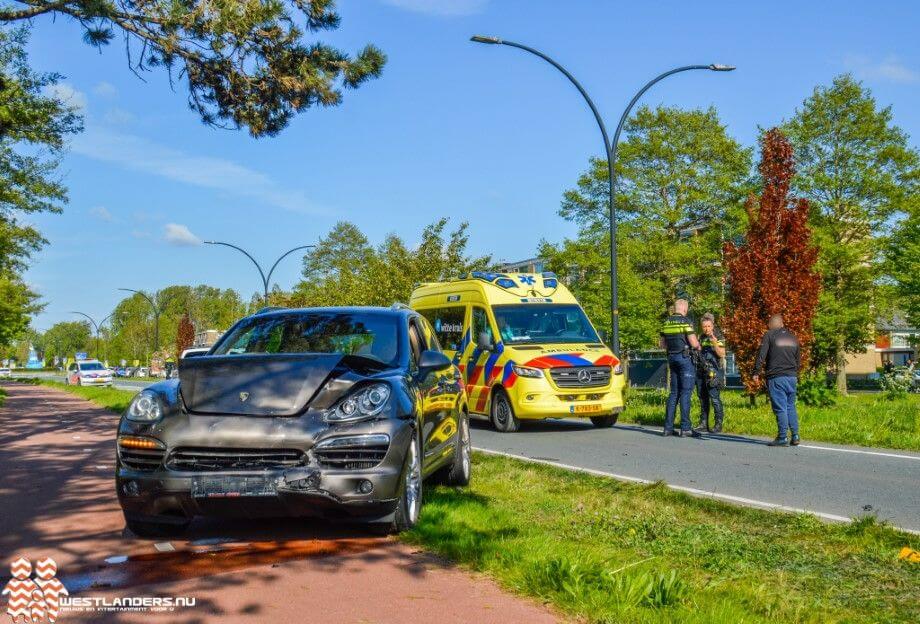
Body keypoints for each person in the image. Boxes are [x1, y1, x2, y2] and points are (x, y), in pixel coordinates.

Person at [753, 314, 801, 447]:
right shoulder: (793, 337)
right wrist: (795, 374)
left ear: (771, 324)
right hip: (792, 377)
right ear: (782, 323)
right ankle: (795, 435)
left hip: (777, 377)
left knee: (780, 407)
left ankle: (782, 437)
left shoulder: (770, 335)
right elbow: (798, 359)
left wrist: (756, 371)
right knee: (790, 406)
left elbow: (762, 354)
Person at [659, 299, 701, 437]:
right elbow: (694, 343)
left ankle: (668, 428)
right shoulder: (686, 321)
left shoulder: (666, 322)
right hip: (684, 359)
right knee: (685, 393)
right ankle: (686, 428)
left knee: (674, 393)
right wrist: (699, 346)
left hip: (671, 358)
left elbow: (662, 344)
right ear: (684, 309)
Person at [694, 313, 726, 433]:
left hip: (714, 371)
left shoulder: (718, 336)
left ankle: (718, 424)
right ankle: (703, 423)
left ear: (712, 326)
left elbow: (722, 354)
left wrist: (714, 343)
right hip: (701, 370)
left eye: (708, 326)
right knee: (702, 397)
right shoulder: (701, 337)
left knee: (715, 398)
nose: (706, 329)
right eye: (704, 326)